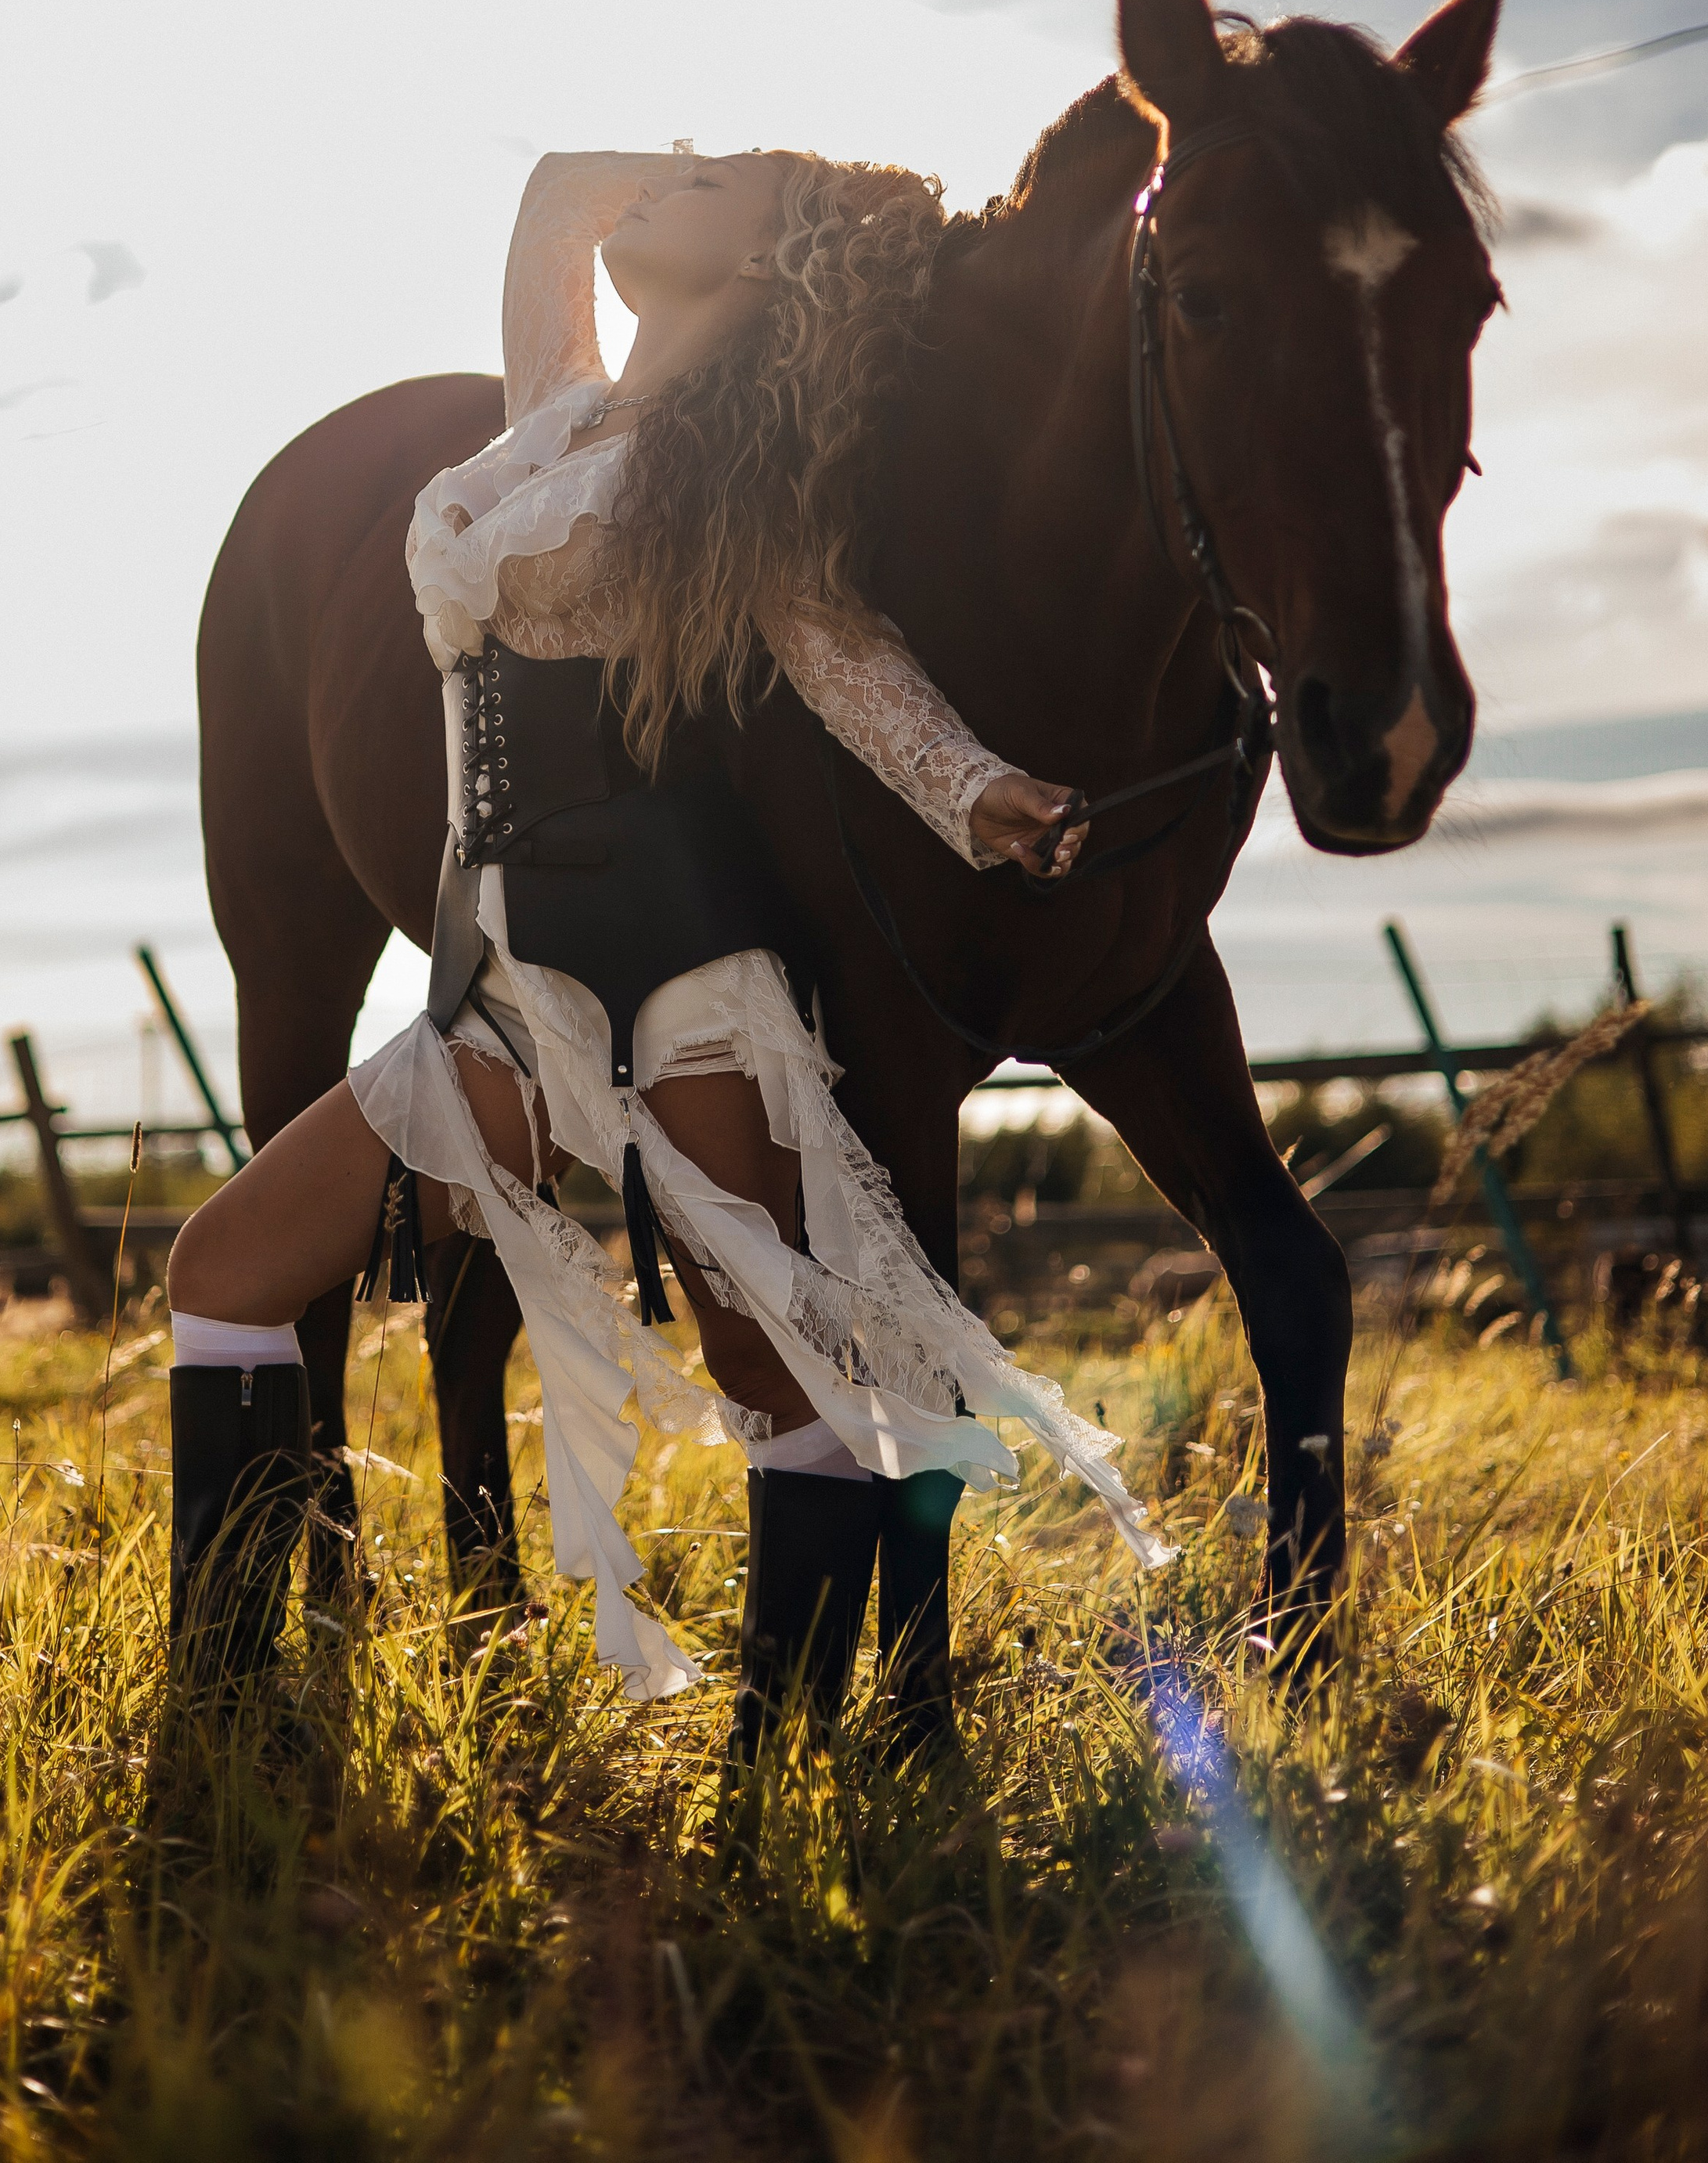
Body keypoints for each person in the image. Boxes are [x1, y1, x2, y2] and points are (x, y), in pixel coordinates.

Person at [164, 146, 1169, 1750]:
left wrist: (981, 795)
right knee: (220, 1270)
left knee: (787, 1395)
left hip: (681, 970)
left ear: (762, 274)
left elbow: (850, 665)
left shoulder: (739, 486)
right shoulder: (553, 404)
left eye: (709, 185)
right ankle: (210, 1727)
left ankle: (776, 1767)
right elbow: (558, 189)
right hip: (505, 981)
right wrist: (726, 182)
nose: (668, 179)